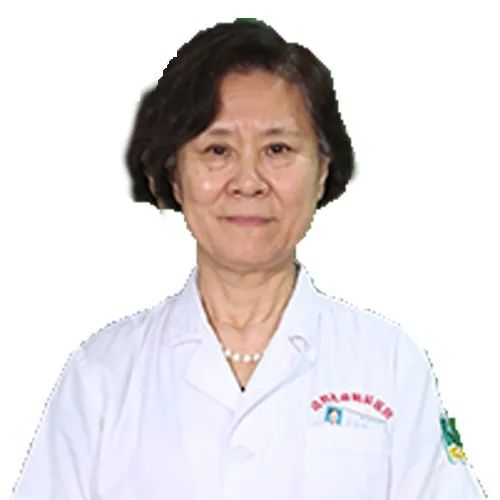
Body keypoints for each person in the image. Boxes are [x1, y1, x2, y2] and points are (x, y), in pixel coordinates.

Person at [10, 18, 486, 500]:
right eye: (217, 150)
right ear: (175, 176)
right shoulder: (102, 375)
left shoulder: (388, 363)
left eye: (277, 149)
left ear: (322, 171)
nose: (248, 182)